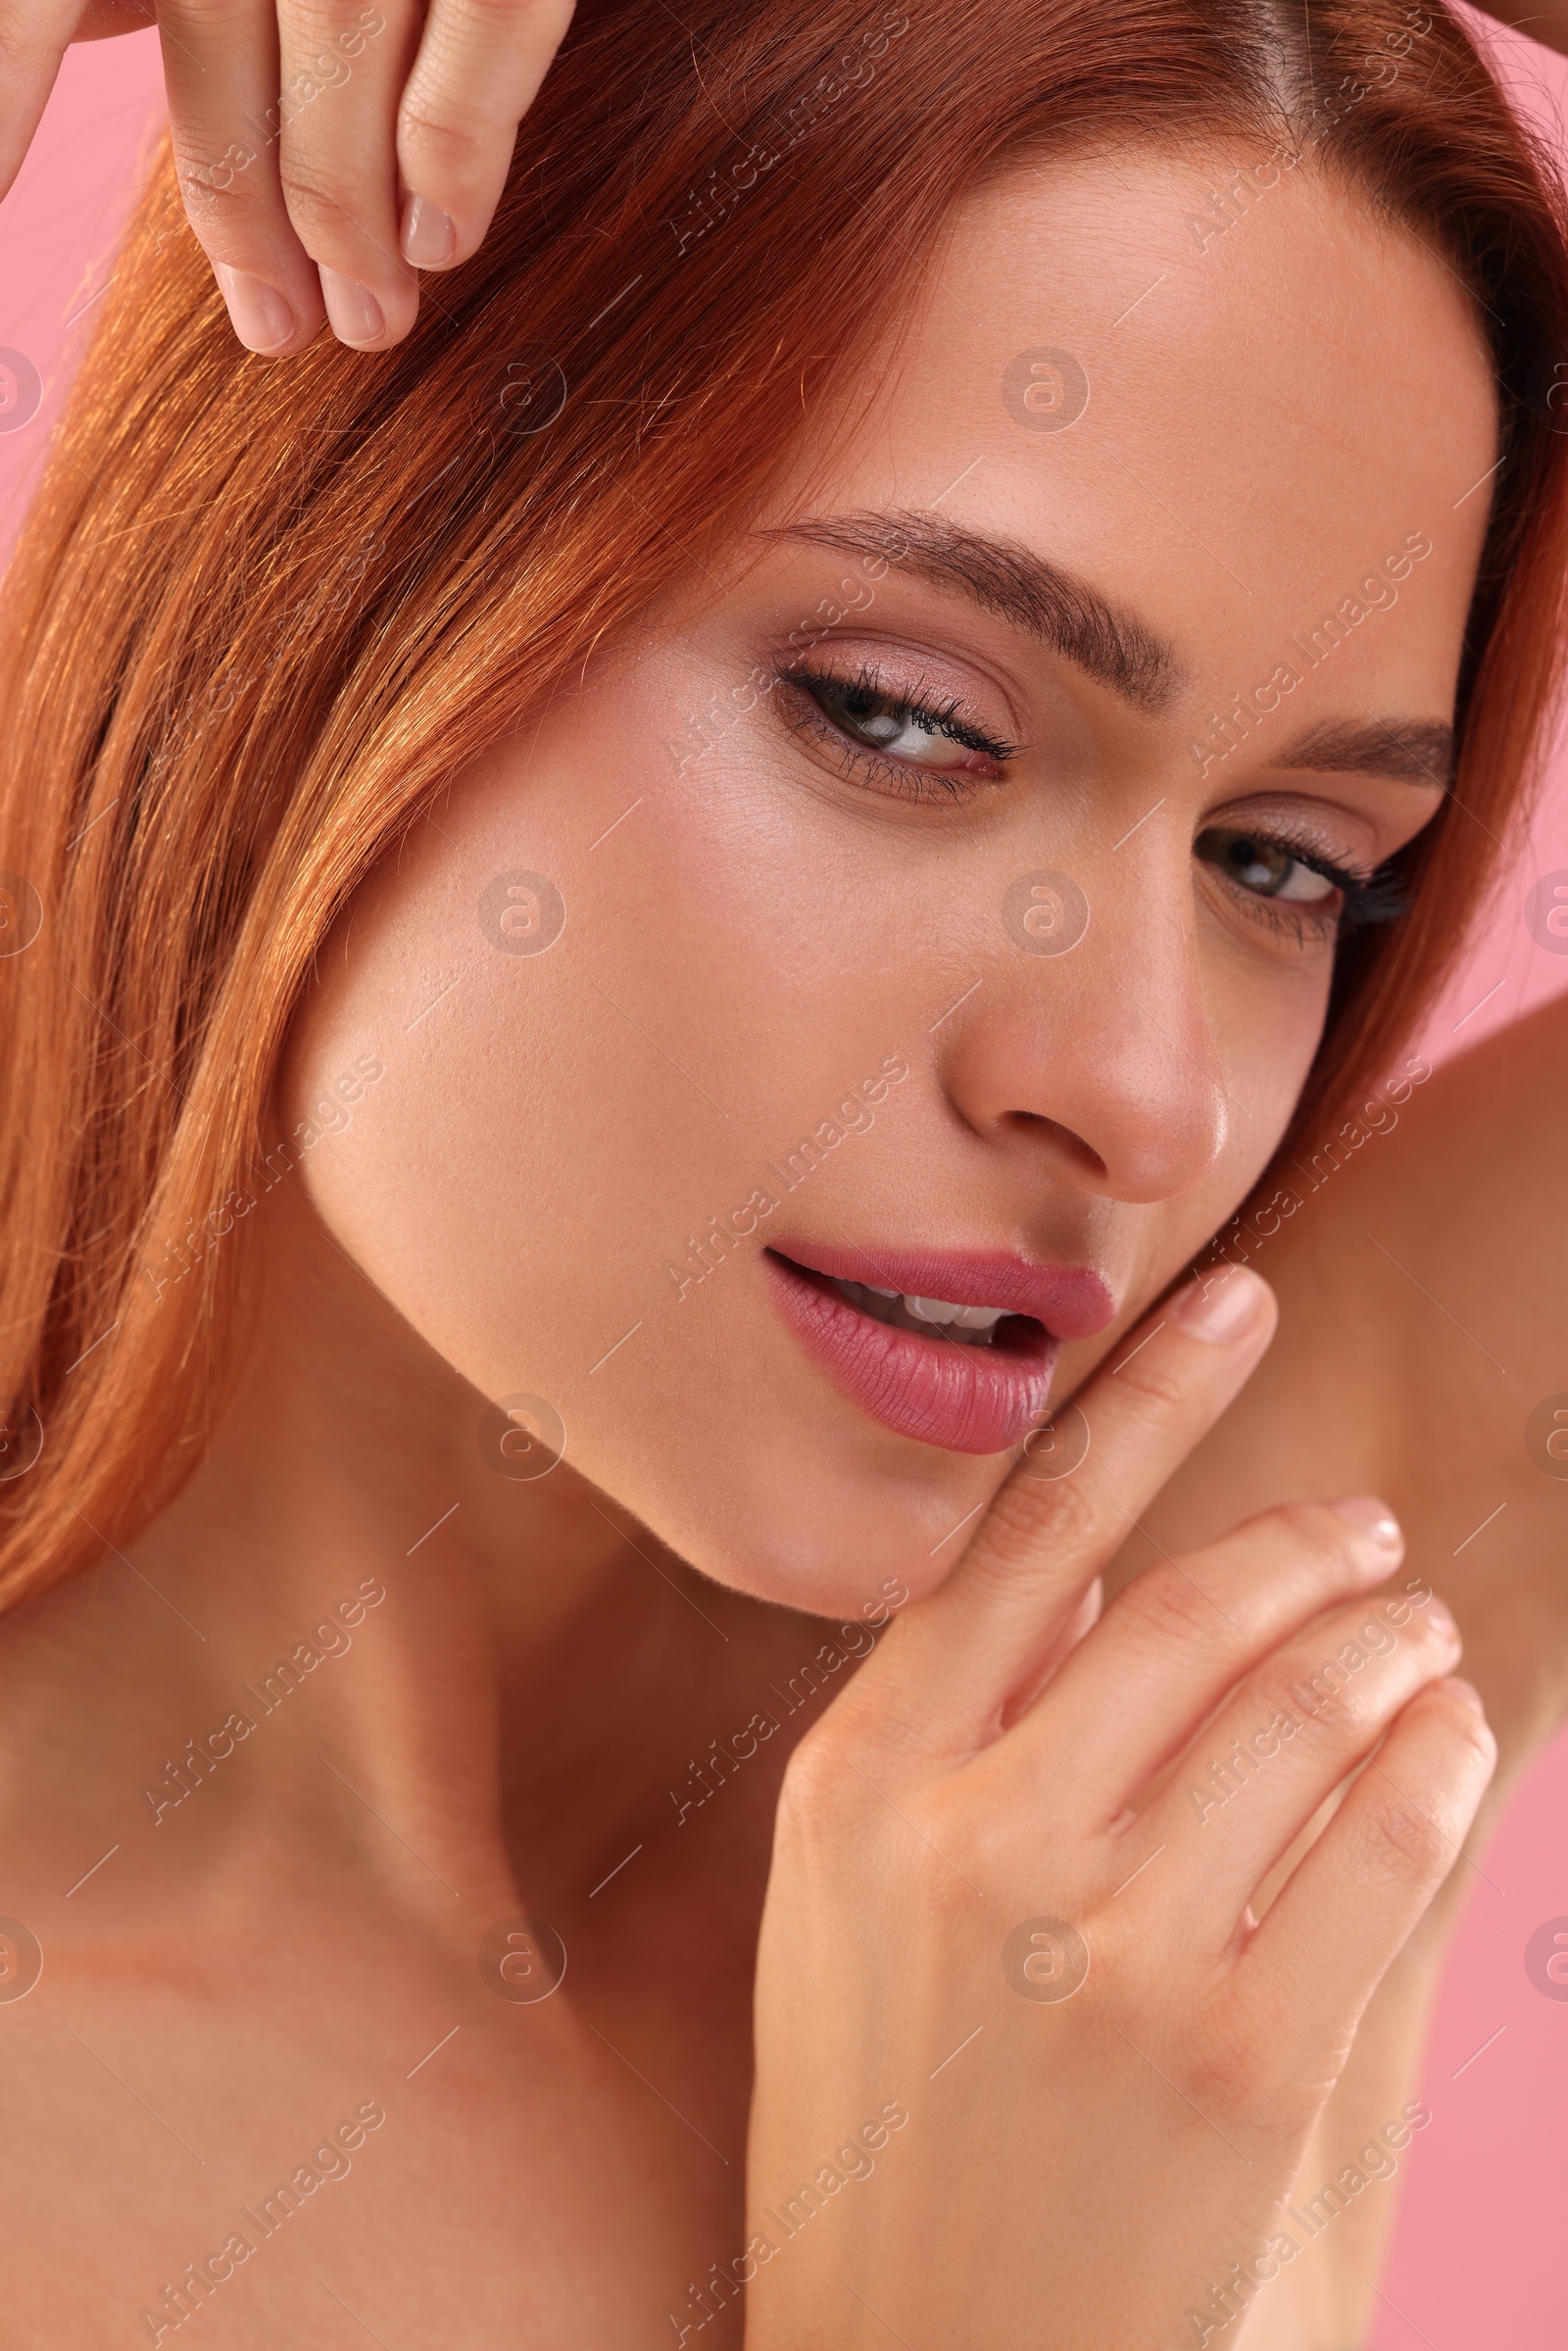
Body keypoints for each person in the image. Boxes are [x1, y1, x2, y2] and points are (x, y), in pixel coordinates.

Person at [0, 0, 1564, 2343]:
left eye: (1283, 863)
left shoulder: (1199, 1688)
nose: (1138, 1092)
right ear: (331, 568)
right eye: (903, 722)